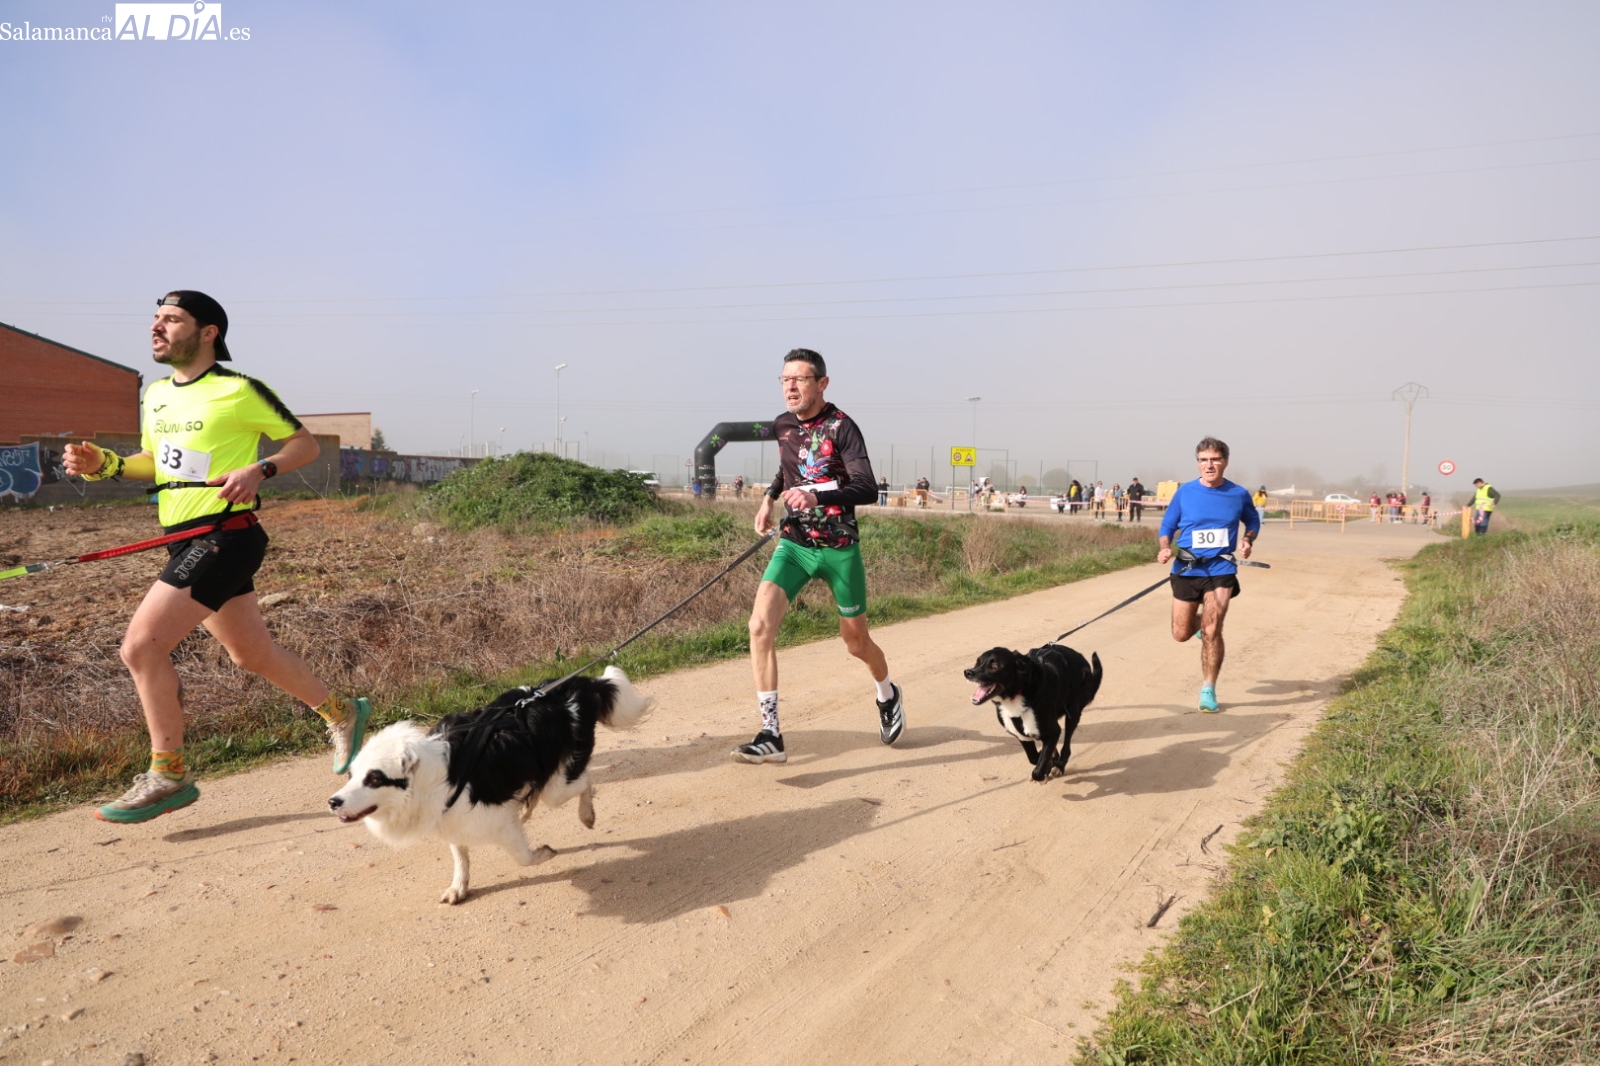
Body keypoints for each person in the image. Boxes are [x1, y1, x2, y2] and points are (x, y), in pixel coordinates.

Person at [62, 291, 372, 823]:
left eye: (172, 319)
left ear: (208, 333)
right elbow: (156, 464)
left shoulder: (239, 389)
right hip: (184, 537)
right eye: (156, 318)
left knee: (140, 648)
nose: (157, 327)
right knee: (251, 655)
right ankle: (343, 711)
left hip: (224, 534)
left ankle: (169, 773)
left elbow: (304, 444)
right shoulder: (157, 394)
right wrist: (104, 463)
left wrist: (261, 469)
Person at [733, 348, 903, 764]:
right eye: (784, 379)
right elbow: (790, 466)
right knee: (759, 626)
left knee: (856, 642)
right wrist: (770, 498)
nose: (790, 387)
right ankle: (771, 734)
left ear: (822, 384)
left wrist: (815, 493)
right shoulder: (783, 425)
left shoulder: (843, 428)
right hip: (795, 544)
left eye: (800, 379)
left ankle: (887, 693)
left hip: (839, 548)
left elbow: (865, 487)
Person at [1157, 436, 1261, 714]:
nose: (1209, 465)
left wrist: (1248, 540)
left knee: (1213, 630)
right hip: (1187, 568)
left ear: (1225, 461)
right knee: (1180, 633)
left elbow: (1252, 520)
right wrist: (1165, 548)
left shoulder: (1238, 493)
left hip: (1221, 568)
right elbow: (1167, 526)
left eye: (1215, 459)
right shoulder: (1185, 492)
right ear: (1198, 463)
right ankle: (1200, 626)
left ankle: (1208, 689)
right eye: (1204, 460)